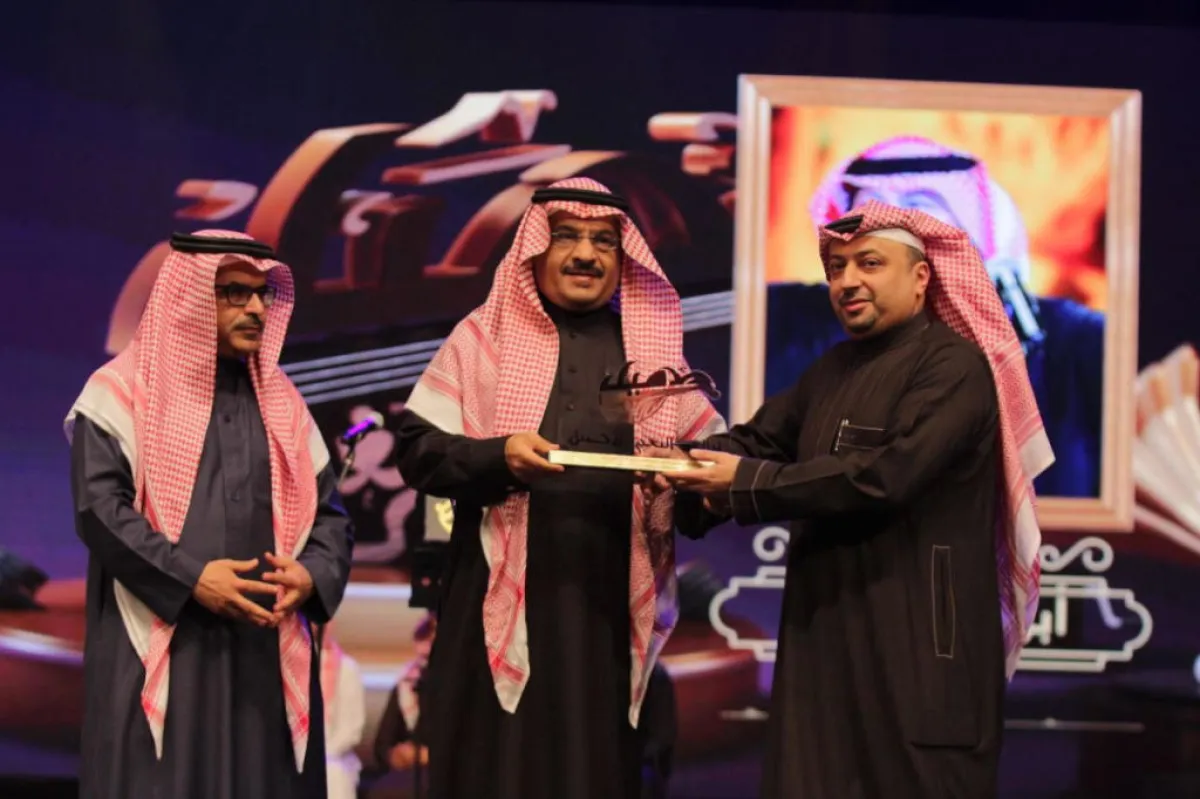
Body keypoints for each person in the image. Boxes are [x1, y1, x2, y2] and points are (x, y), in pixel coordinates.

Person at [651, 201, 1054, 798]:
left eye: (869, 263)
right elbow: (758, 442)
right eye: (836, 268)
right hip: (825, 643)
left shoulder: (956, 368)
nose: (846, 281)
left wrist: (740, 482)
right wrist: (678, 466)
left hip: (921, 652)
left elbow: (885, 477)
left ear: (921, 278)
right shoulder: (832, 370)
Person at [392, 176, 725, 799]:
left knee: (594, 764)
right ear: (535, 249)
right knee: (497, 768)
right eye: (567, 237)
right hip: (493, 595)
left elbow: (709, 471)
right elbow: (417, 450)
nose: (585, 255)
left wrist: (684, 474)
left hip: (608, 600)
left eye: (604, 242)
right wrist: (499, 457)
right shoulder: (482, 340)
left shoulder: (651, 353)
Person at [65, 230, 354, 799]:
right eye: (234, 293)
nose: (256, 308)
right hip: (160, 636)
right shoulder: (120, 392)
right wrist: (192, 578)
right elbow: (99, 510)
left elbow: (331, 518)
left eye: (262, 294)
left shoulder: (283, 402)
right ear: (189, 297)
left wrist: (311, 574)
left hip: (263, 649)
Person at [318, 625, 366, 799]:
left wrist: (325, 752)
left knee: (333, 775)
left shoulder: (347, 668)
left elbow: (353, 727)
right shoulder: (291, 665)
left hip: (334, 757)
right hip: (298, 755)